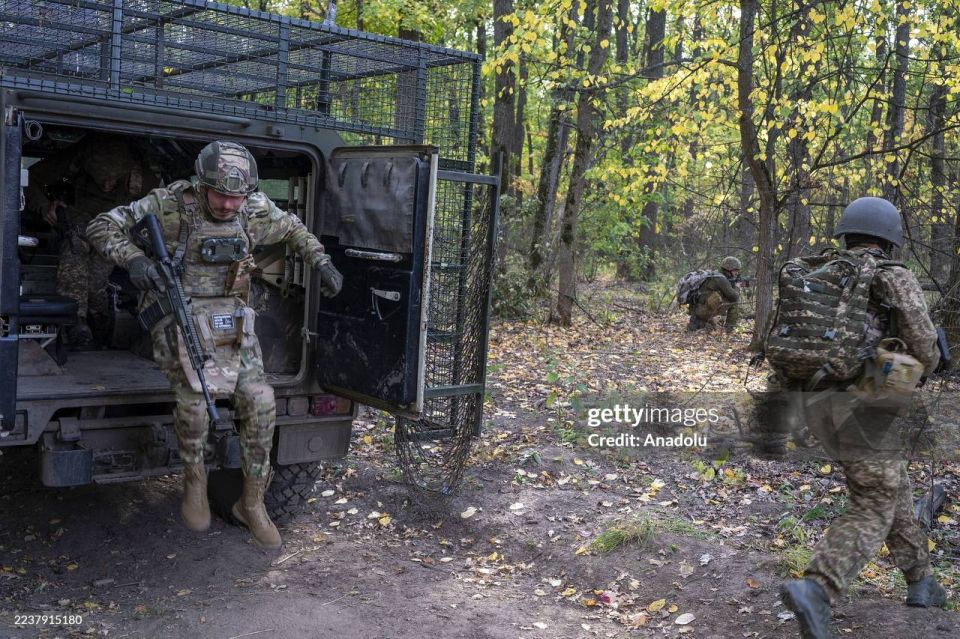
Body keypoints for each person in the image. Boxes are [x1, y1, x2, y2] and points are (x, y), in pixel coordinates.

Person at [86, 141, 343, 549]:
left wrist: (321, 261)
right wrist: (135, 260)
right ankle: (194, 481)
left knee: (260, 401)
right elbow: (101, 225)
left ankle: (252, 503)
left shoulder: (253, 209)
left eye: (235, 196)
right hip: (178, 310)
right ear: (201, 184)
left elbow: (294, 228)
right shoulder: (170, 203)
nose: (227, 204)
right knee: (193, 400)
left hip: (232, 315)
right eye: (219, 194)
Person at [771, 197, 947, 639]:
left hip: (811, 398)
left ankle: (921, 581)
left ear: (845, 235)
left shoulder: (818, 272)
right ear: (889, 240)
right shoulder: (892, 277)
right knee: (872, 498)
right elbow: (923, 349)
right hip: (864, 398)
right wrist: (934, 359)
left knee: (889, 481)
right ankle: (819, 588)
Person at [24, 134, 158, 347]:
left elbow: (156, 209)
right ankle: (74, 322)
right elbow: (28, 177)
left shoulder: (142, 177)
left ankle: (100, 325)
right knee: (74, 250)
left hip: (114, 228)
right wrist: (44, 205)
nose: (106, 185)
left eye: (112, 181)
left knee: (96, 283)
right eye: (100, 178)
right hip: (78, 219)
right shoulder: (76, 158)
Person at [686, 256, 741, 333]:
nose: (736, 273)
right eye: (735, 270)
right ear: (729, 269)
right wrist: (737, 287)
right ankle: (730, 328)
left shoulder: (715, 275)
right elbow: (734, 296)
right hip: (703, 310)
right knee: (734, 302)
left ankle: (698, 322)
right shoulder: (721, 279)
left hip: (696, 309)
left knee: (712, 327)